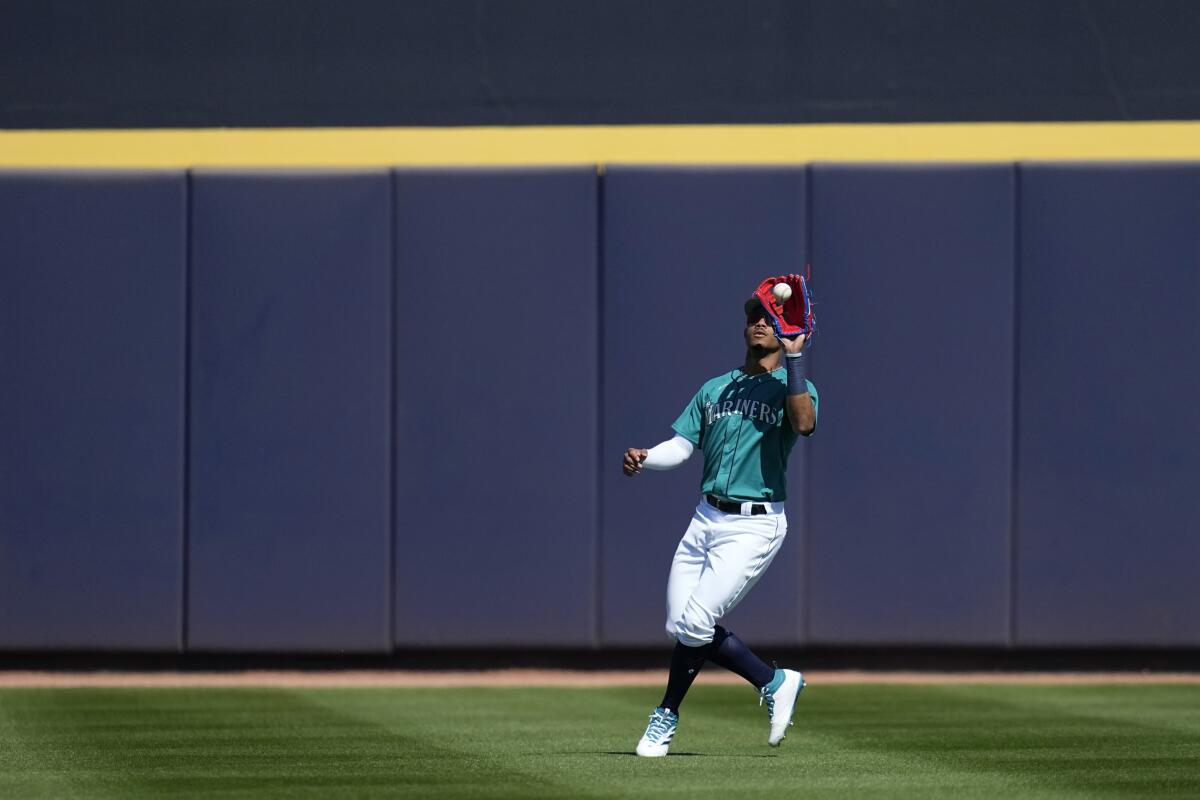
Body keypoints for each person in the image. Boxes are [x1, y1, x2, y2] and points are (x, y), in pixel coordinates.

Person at [622, 294, 819, 757]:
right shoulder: (714, 389)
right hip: (705, 517)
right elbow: (681, 446)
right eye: (753, 315)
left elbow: (804, 424)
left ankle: (666, 714)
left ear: (784, 330)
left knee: (696, 621)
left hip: (755, 524)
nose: (758, 323)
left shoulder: (795, 386)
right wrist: (648, 457)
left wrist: (794, 360)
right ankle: (775, 681)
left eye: (767, 317)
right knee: (680, 624)